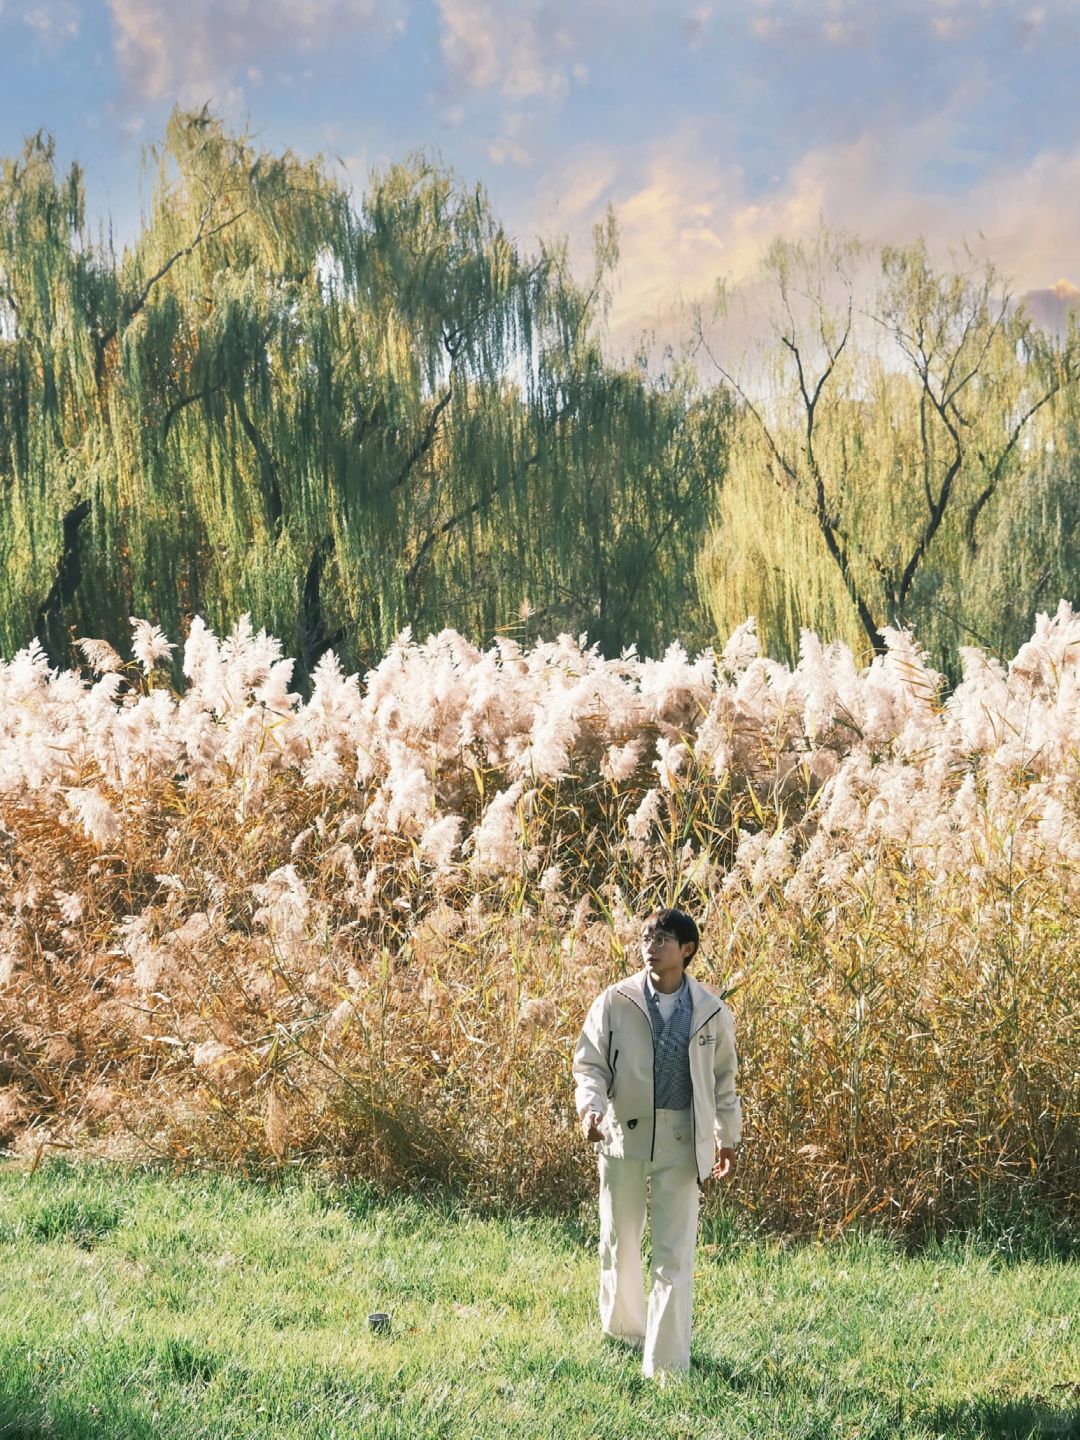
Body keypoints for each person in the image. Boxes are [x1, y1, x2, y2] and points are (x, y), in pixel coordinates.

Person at [572, 906, 741, 1381]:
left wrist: (727, 1138)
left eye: (662, 938)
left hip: (684, 1139)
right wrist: (591, 1110)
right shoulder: (615, 1000)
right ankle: (625, 1334)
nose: (651, 945)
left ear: (686, 950)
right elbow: (589, 1064)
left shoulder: (711, 1010)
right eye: (646, 937)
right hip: (620, 1133)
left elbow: (724, 1081)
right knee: (620, 1239)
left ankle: (666, 1366)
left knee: (674, 1253)